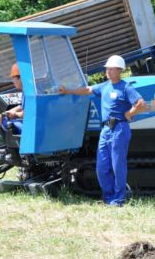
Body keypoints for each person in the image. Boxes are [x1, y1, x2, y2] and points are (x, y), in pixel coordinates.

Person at [59, 55, 146, 206]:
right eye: (107, 69)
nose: (108, 71)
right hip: (105, 129)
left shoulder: (126, 87)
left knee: (117, 166)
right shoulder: (104, 86)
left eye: (111, 69)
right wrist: (68, 90)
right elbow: (87, 89)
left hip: (119, 128)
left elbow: (141, 104)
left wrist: (129, 114)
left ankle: (118, 199)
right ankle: (108, 197)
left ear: (119, 70)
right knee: (102, 167)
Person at [0, 63, 24, 134]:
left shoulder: (31, 92)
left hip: (34, 128)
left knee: (6, 124)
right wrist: (3, 114)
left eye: (13, 78)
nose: (13, 82)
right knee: (4, 120)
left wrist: (15, 114)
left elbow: (32, 113)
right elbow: (21, 106)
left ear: (20, 78)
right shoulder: (25, 92)